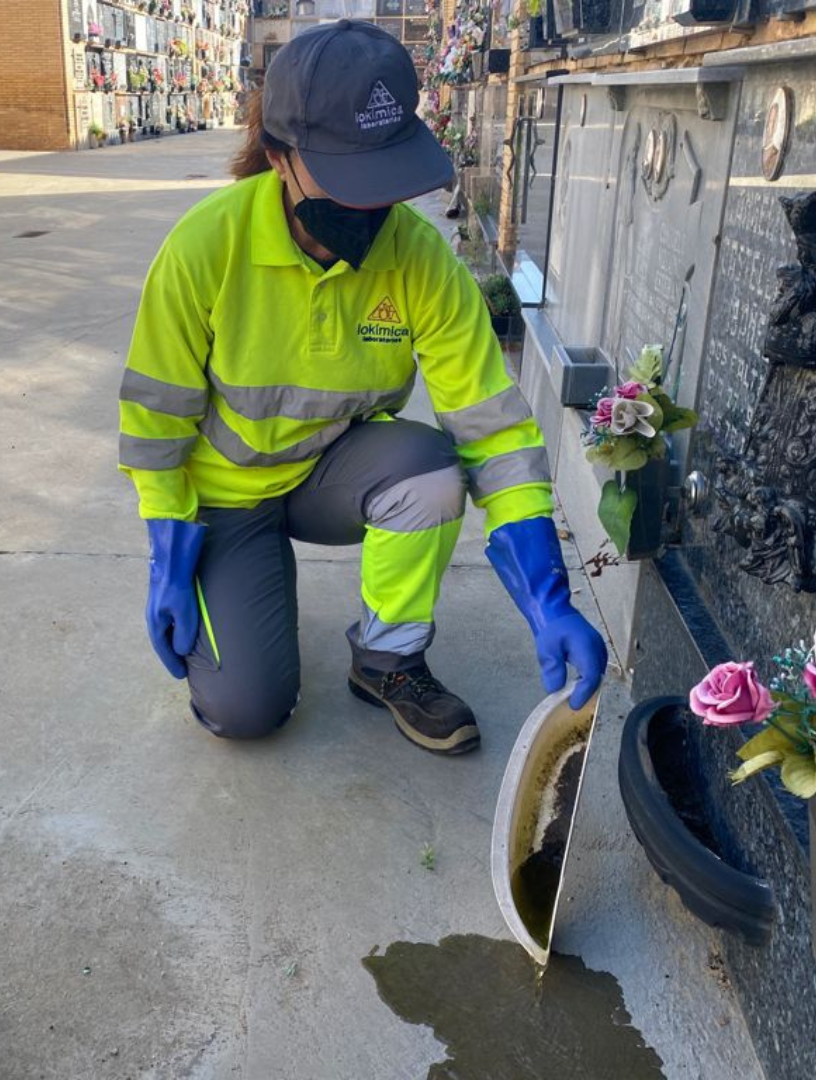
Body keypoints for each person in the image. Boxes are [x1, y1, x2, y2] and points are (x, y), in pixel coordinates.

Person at [118, 19, 605, 755]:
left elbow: (495, 430)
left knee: (433, 469)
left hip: (331, 477)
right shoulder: (204, 247)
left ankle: (388, 658)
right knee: (247, 710)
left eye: (384, 177)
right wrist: (169, 551)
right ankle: (247, 577)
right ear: (279, 158)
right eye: (347, 179)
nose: (371, 210)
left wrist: (548, 598)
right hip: (224, 495)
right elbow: (156, 416)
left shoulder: (418, 261)